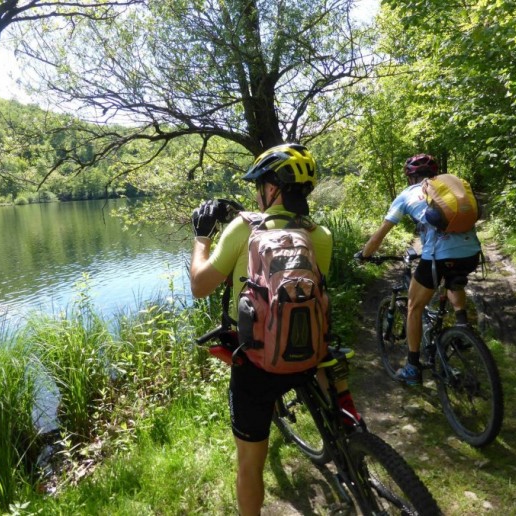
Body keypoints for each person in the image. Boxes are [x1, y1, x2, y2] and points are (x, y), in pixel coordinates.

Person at [190, 143, 358, 515]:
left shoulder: (243, 228)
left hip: (256, 365)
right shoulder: (321, 235)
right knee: (328, 388)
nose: (258, 193)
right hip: (310, 354)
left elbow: (200, 286)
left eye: (260, 185)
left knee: (250, 465)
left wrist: (201, 235)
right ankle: (350, 446)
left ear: (272, 189)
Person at [356, 153, 482, 386]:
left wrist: (364, 255)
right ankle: (463, 329)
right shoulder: (448, 189)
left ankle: (413, 367)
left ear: (409, 177)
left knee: (414, 306)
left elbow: (380, 235)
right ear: (434, 175)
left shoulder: (406, 196)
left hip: (438, 258)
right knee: (454, 279)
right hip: (472, 254)